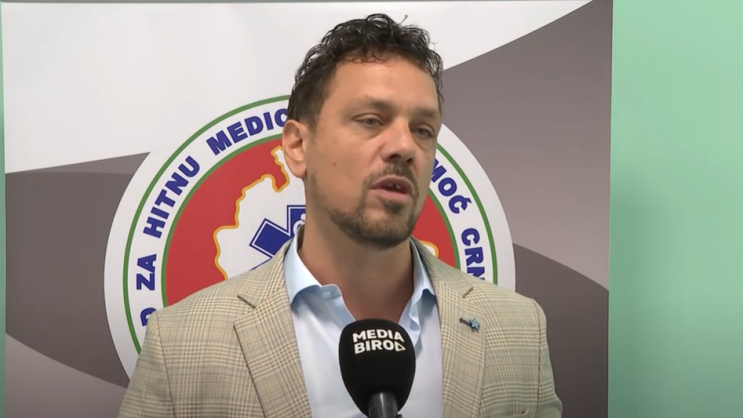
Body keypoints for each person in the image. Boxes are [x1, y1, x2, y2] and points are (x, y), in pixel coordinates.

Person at [118, 13, 562, 418]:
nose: (404, 146)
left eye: (423, 129)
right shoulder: (180, 345)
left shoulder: (518, 330)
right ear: (297, 147)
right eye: (371, 120)